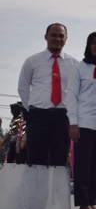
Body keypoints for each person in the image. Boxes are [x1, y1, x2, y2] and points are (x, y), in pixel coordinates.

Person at [17, 23, 77, 166]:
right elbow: (23, 87)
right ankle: (36, 189)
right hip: (38, 117)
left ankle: (55, 189)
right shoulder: (32, 61)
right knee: (36, 161)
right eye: (53, 35)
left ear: (66, 38)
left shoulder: (74, 64)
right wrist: (31, 109)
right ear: (46, 37)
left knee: (59, 160)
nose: (57, 39)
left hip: (62, 117)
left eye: (61, 36)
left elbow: (77, 92)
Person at [66, 32, 96, 209]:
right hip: (84, 123)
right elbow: (71, 96)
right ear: (88, 45)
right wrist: (73, 123)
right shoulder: (80, 68)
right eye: (93, 43)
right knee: (83, 166)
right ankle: (83, 204)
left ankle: (93, 202)